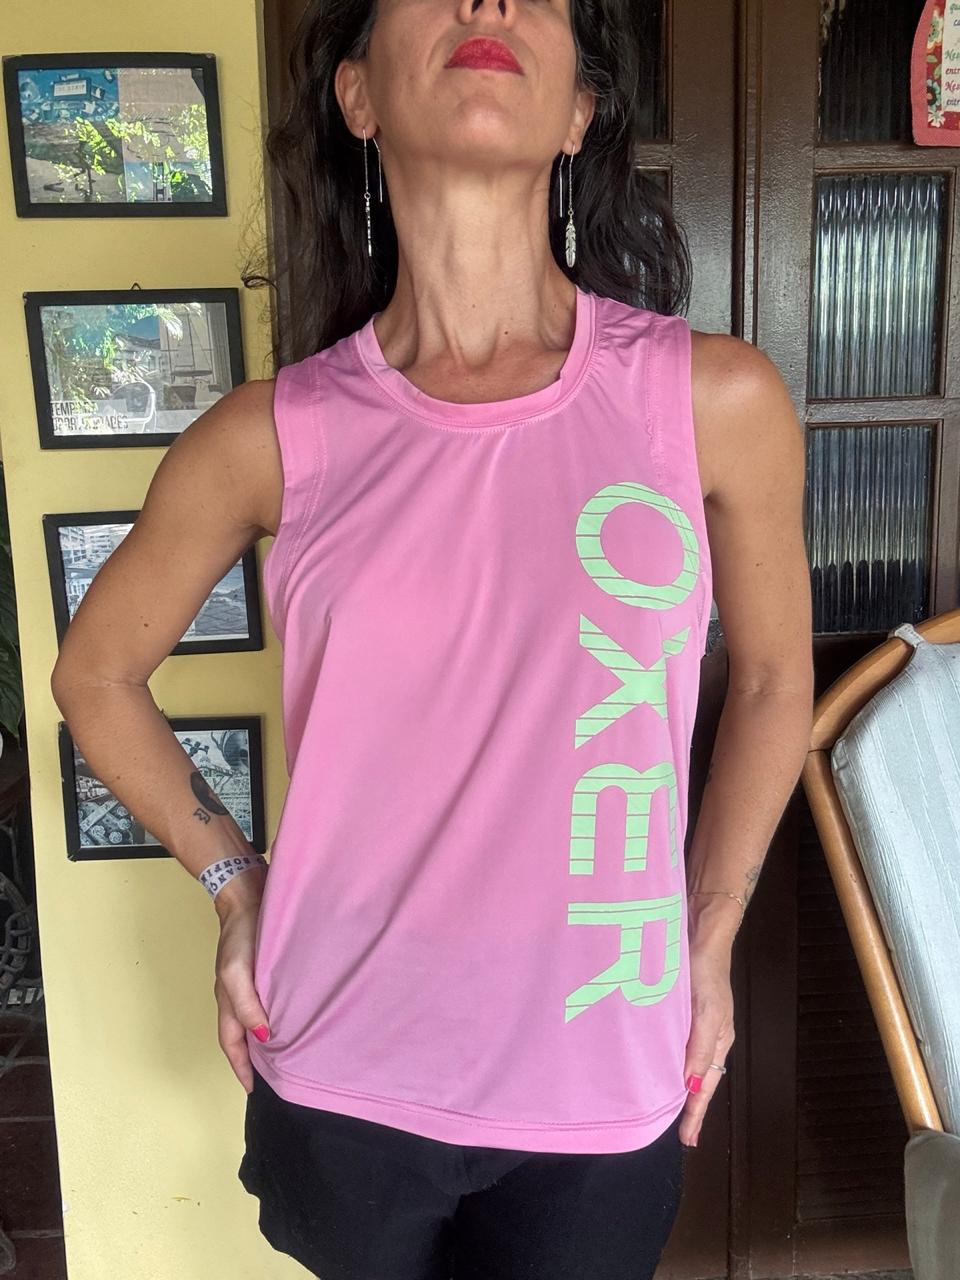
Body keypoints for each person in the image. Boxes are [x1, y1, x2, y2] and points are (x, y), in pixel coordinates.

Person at [49, 0, 814, 1276]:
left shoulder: (714, 400)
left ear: (579, 113)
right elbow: (94, 674)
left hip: (602, 1070)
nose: (488, 2)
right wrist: (235, 885)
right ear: (357, 95)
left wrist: (711, 926)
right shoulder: (272, 435)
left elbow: (779, 680)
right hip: (342, 1071)